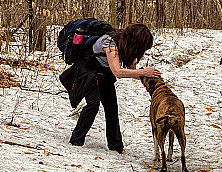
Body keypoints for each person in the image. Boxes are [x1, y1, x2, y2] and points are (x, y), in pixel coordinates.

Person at [60, 23, 161, 152]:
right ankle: (76, 140)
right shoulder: (109, 42)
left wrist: (150, 77)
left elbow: (131, 71)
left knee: (111, 107)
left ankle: (116, 146)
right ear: (136, 41)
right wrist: (144, 72)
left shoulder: (127, 48)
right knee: (93, 103)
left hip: (105, 74)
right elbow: (118, 72)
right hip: (87, 70)